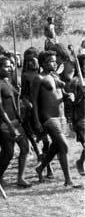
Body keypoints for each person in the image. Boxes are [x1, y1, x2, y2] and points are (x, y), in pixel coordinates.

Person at [32, 51, 75, 187]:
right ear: (43, 63)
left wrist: (69, 96)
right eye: (51, 61)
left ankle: (40, 168)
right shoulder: (39, 78)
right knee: (64, 146)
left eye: (55, 61)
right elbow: (34, 102)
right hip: (49, 118)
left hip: (61, 117)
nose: (55, 63)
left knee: (56, 146)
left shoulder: (54, 76)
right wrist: (37, 121)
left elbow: (62, 93)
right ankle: (68, 180)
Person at [0, 57, 31, 188]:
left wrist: (17, 92)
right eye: (7, 66)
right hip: (4, 123)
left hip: (16, 121)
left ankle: (21, 177)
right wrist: (9, 125)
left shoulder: (8, 81)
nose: (10, 68)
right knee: (8, 153)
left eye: (11, 66)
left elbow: (14, 97)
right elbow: (0, 107)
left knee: (25, 149)